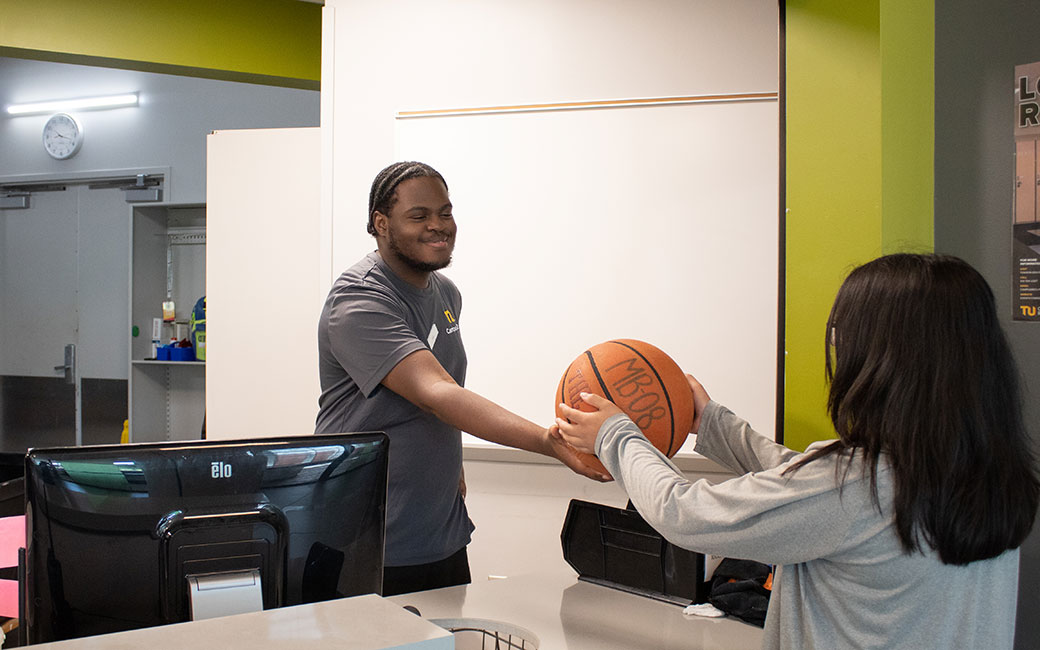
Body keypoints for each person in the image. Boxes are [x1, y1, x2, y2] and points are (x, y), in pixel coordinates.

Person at [554, 253, 1039, 649]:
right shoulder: (986, 470)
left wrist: (615, 434)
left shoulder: (854, 483)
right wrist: (713, 423)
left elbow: (688, 514)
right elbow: (811, 485)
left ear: (883, 358)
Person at [316, 161, 606, 597]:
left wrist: (453, 463)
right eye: (419, 216)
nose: (438, 226)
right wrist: (548, 442)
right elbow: (436, 394)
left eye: (445, 212)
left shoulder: (445, 292)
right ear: (381, 223)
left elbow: (438, 396)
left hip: (438, 532)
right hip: (364, 539)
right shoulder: (359, 300)